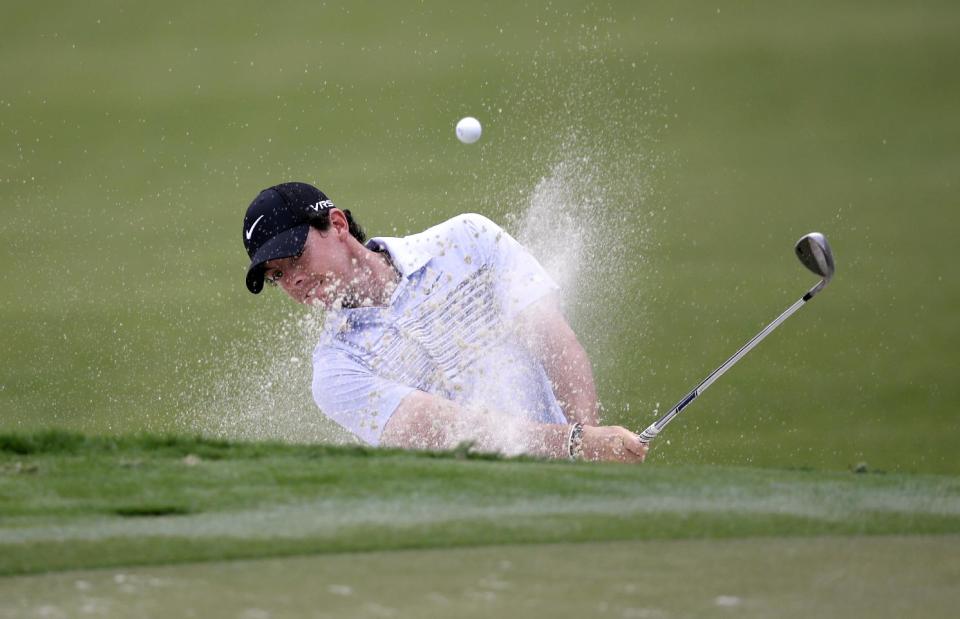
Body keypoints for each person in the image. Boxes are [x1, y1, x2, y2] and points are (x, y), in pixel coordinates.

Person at [242, 181, 647, 463]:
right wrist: (577, 445)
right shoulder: (335, 372)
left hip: (566, 474)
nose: (292, 280)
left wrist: (589, 440)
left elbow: (553, 339)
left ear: (337, 225)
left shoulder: (467, 239)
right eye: (276, 276)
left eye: (296, 257)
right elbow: (455, 433)